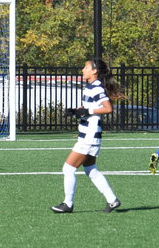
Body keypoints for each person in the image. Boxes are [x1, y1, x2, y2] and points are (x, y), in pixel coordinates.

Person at [51, 58, 123, 214]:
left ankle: (68, 204)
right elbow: (92, 107)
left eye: (86, 67)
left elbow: (107, 108)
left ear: (94, 71)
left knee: (68, 169)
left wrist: (87, 111)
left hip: (89, 136)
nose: (82, 70)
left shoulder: (96, 87)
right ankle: (112, 200)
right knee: (91, 169)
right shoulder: (90, 86)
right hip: (88, 134)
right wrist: (77, 111)